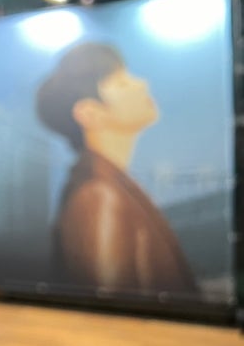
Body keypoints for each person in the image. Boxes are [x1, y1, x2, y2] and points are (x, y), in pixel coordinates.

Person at [35, 42, 198, 293]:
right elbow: (108, 308)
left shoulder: (110, 185)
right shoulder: (100, 197)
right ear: (90, 113)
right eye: (122, 83)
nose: (142, 84)